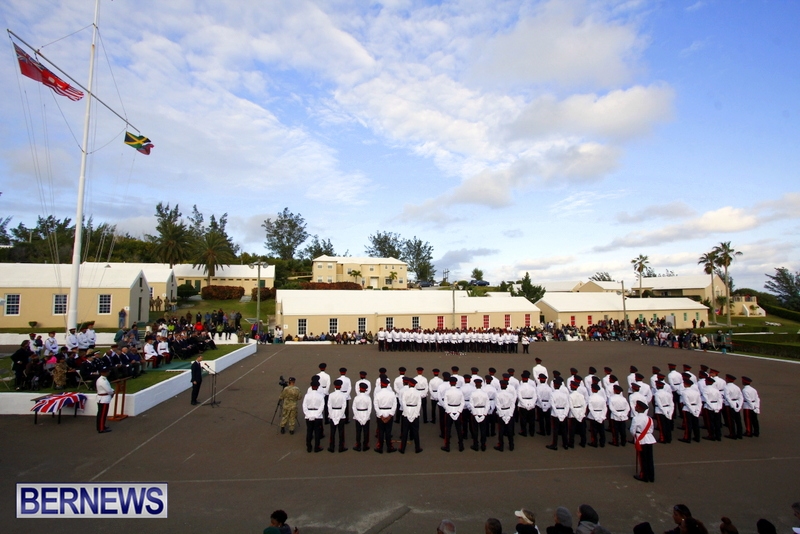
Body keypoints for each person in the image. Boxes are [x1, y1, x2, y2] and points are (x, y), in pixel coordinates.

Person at [632, 400, 656, 482]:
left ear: (639, 408)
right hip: (649, 438)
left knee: (643, 459)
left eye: (636, 406)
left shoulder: (636, 418)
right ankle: (651, 476)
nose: (635, 407)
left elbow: (632, 430)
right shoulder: (649, 418)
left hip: (640, 439)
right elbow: (651, 430)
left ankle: (644, 476)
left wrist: (636, 436)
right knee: (650, 458)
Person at [374, 378, 397, 453]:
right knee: (388, 431)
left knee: (381, 431)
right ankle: (389, 447)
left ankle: (380, 447)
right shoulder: (392, 393)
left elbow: (376, 405)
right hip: (389, 412)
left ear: (381, 384)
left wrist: (381, 416)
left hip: (380, 412)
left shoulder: (377, 394)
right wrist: (390, 415)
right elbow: (394, 404)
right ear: (387, 385)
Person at [303, 378, 325, 453]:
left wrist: (308, 414)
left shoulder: (307, 395)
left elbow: (304, 406)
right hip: (317, 416)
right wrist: (317, 415)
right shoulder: (320, 396)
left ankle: (309, 447)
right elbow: (322, 406)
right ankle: (317, 447)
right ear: (318, 387)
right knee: (317, 432)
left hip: (308, 415)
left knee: (309, 431)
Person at [327, 379, 348, 452]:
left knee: (332, 432)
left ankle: (331, 447)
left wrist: (331, 414)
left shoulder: (331, 395)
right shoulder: (343, 395)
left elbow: (329, 406)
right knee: (341, 432)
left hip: (332, 413)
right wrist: (340, 415)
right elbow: (344, 406)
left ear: (334, 386)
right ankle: (341, 447)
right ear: (341, 386)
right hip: (340, 414)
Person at [352, 382, 372, 451]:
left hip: (358, 414)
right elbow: (370, 408)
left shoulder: (356, 398)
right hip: (366, 414)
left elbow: (354, 408)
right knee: (366, 431)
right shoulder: (368, 398)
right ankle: (365, 445)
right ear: (365, 390)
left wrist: (357, 417)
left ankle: (358, 445)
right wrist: (367, 417)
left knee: (358, 431)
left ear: (359, 389)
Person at [96, 366, 114, 433]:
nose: (108, 372)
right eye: (107, 371)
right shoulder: (102, 380)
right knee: (102, 414)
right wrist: (112, 392)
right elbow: (108, 390)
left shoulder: (103, 379)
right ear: (103, 373)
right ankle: (101, 428)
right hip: (103, 399)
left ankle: (102, 426)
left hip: (103, 399)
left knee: (102, 414)